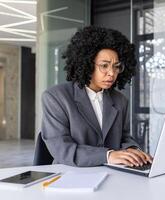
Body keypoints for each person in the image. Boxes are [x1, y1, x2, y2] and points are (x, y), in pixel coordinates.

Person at [41, 26, 152, 167]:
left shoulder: (120, 100)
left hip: (111, 174)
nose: (112, 73)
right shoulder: (56, 97)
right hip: (70, 173)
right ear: (86, 64)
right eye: (104, 66)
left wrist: (132, 150)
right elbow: (61, 149)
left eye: (116, 66)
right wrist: (108, 155)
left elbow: (124, 137)